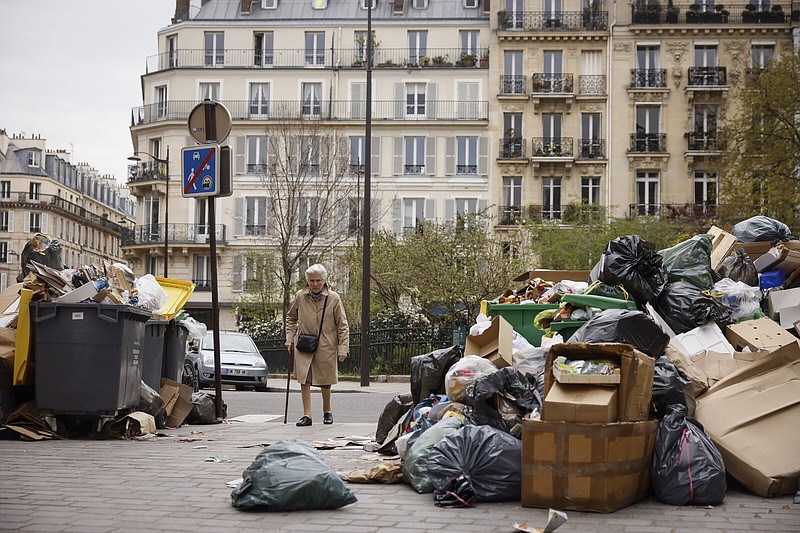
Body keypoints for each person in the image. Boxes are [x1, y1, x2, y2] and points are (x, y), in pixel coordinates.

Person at [285, 264, 349, 427]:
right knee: (304, 379)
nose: (315, 284)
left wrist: (343, 348)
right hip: (304, 344)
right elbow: (291, 318)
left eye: (318, 280)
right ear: (307, 281)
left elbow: (342, 325)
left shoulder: (334, 298)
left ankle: (327, 411)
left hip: (326, 344)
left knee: (325, 380)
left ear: (324, 280)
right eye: (312, 280)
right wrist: (290, 339)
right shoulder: (300, 296)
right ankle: (307, 415)